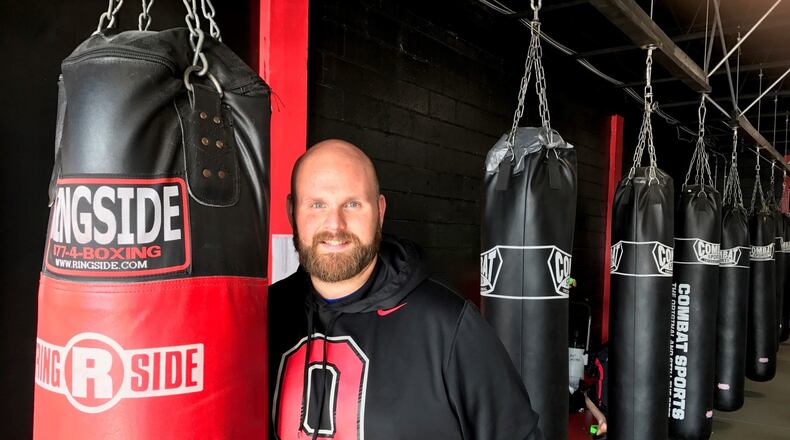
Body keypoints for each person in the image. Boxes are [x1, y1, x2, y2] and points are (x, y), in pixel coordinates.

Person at [268, 139, 544, 440]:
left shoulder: (449, 326)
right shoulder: (262, 318)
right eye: (317, 204)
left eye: (352, 204)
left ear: (380, 211)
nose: (335, 224)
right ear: (292, 211)